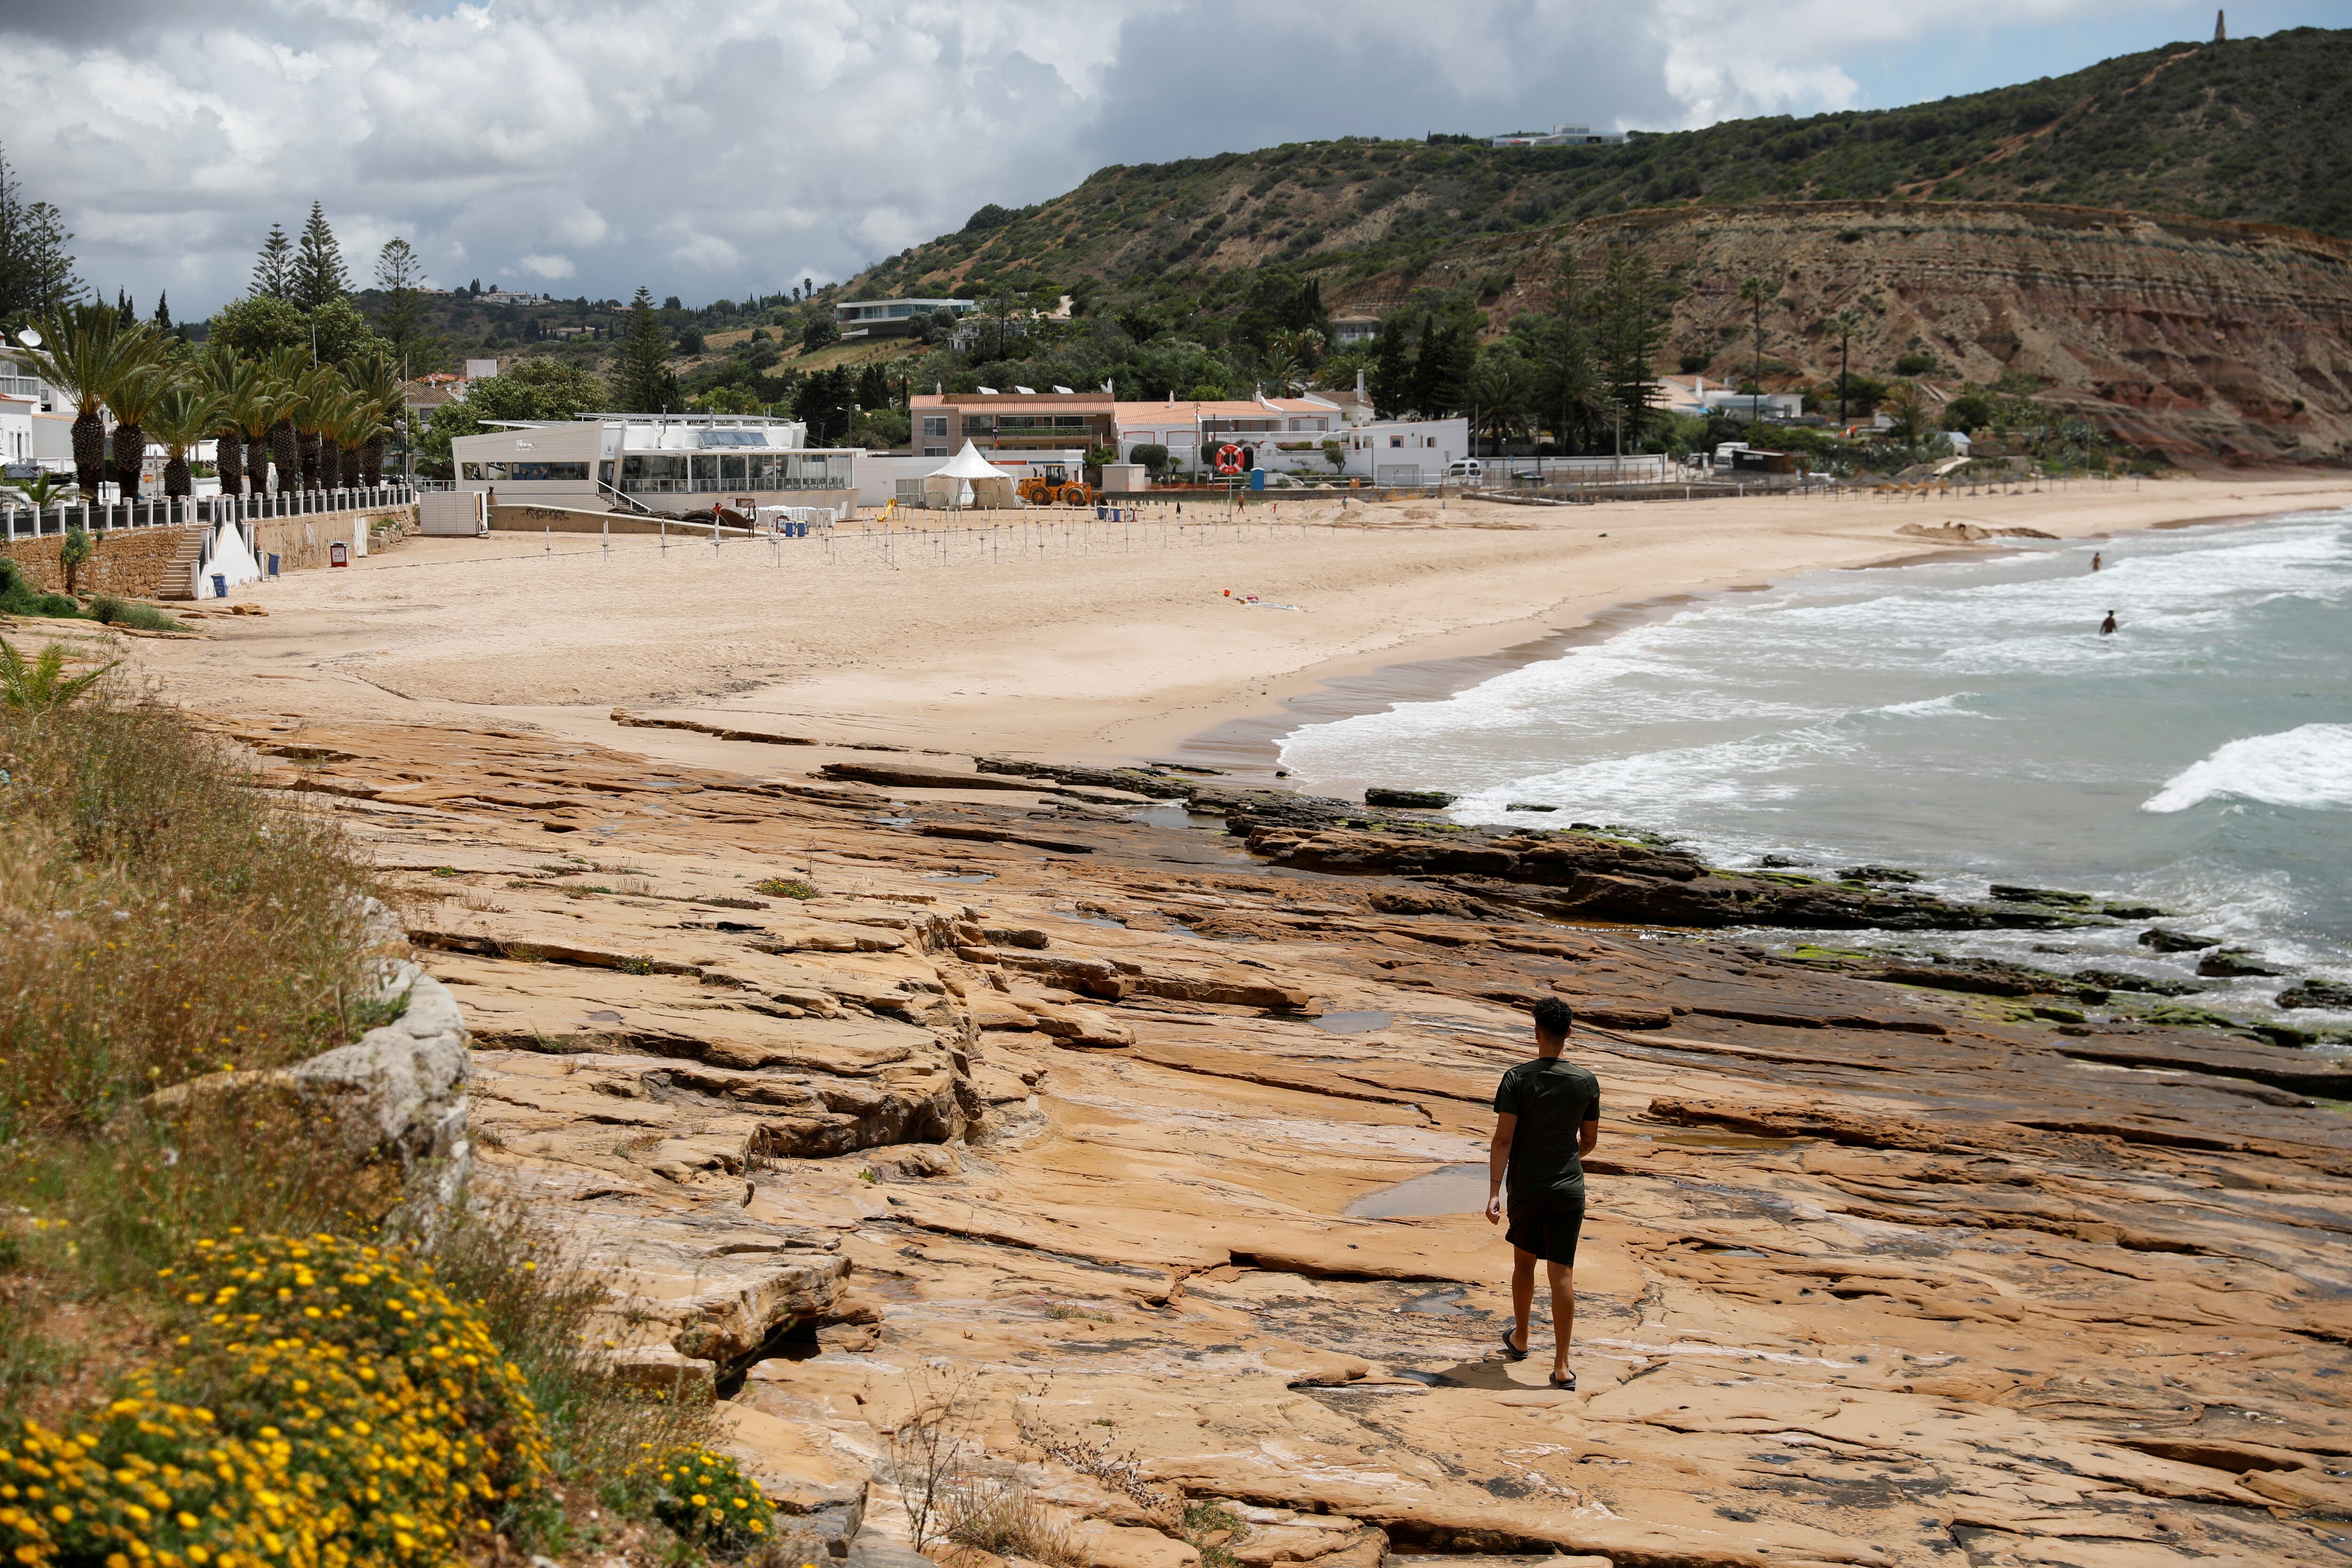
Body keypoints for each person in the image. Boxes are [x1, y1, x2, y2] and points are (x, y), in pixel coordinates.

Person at [1486, 996, 1601, 1389]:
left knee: (1524, 1264)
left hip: (1527, 1188)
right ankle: (1562, 1366)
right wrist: (1567, 1156)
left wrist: (1493, 1192)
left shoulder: (1516, 1078)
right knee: (1563, 1275)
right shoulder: (1586, 1081)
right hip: (1569, 1189)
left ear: (1536, 1031)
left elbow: (1503, 1140)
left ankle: (1520, 1338)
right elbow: (1588, 1140)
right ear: (1569, 1033)